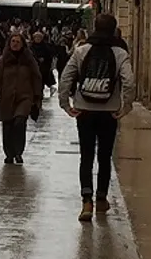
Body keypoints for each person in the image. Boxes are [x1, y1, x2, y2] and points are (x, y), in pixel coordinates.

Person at [58, 13, 135, 222]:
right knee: (104, 155)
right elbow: (128, 81)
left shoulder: (82, 50)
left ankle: (86, 201)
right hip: (109, 111)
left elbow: (66, 77)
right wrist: (125, 106)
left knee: (86, 155)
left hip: (84, 110)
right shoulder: (120, 53)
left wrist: (66, 104)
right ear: (113, 29)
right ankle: (101, 197)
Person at [0, 33, 43, 165]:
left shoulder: (29, 60)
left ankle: (18, 152)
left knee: (19, 122)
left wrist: (37, 97)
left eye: (18, 41)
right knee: (7, 126)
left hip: (24, 97)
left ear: (23, 44)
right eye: (13, 41)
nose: (15, 44)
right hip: (7, 97)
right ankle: (9, 154)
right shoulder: (3, 60)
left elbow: (36, 77)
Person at [30, 31, 56, 96]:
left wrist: (44, 60)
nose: (38, 39)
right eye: (36, 37)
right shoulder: (31, 46)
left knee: (43, 78)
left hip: (44, 67)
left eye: (39, 37)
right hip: (34, 66)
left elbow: (49, 56)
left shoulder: (45, 46)